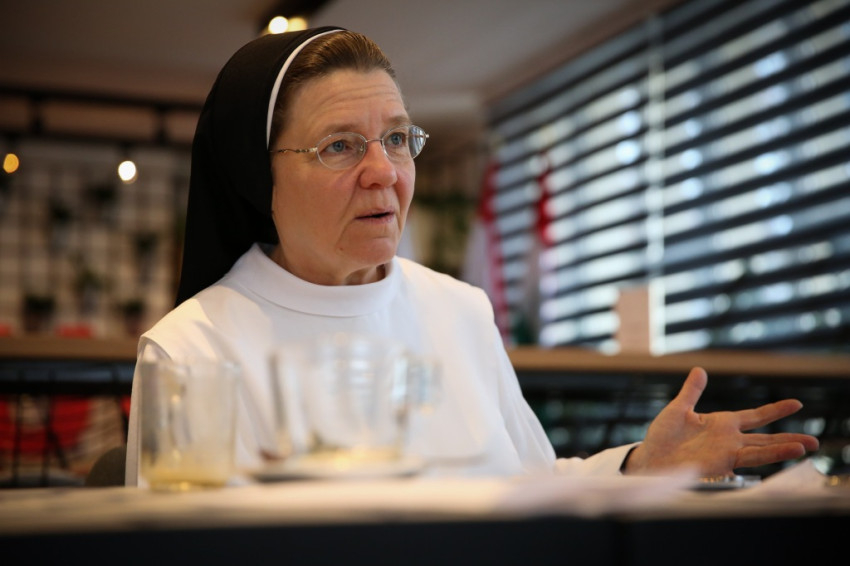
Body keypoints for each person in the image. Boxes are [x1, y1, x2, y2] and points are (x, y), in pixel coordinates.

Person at [124, 27, 818, 485]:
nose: (383, 172)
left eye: (397, 139)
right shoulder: (191, 350)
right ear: (256, 175)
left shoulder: (458, 309)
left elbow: (529, 483)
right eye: (339, 146)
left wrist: (636, 465)